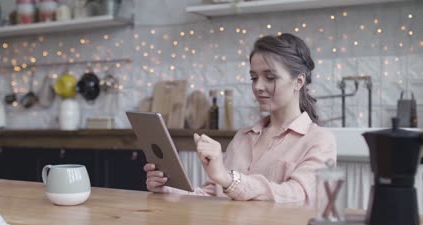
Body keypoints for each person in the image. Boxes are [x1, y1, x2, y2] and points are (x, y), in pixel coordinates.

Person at [144, 33, 337, 203]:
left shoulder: (319, 141)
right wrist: (168, 189)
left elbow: (297, 195)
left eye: (270, 77)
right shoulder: (243, 137)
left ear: (299, 81)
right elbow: (213, 196)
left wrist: (229, 179)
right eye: (254, 78)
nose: (258, 86)